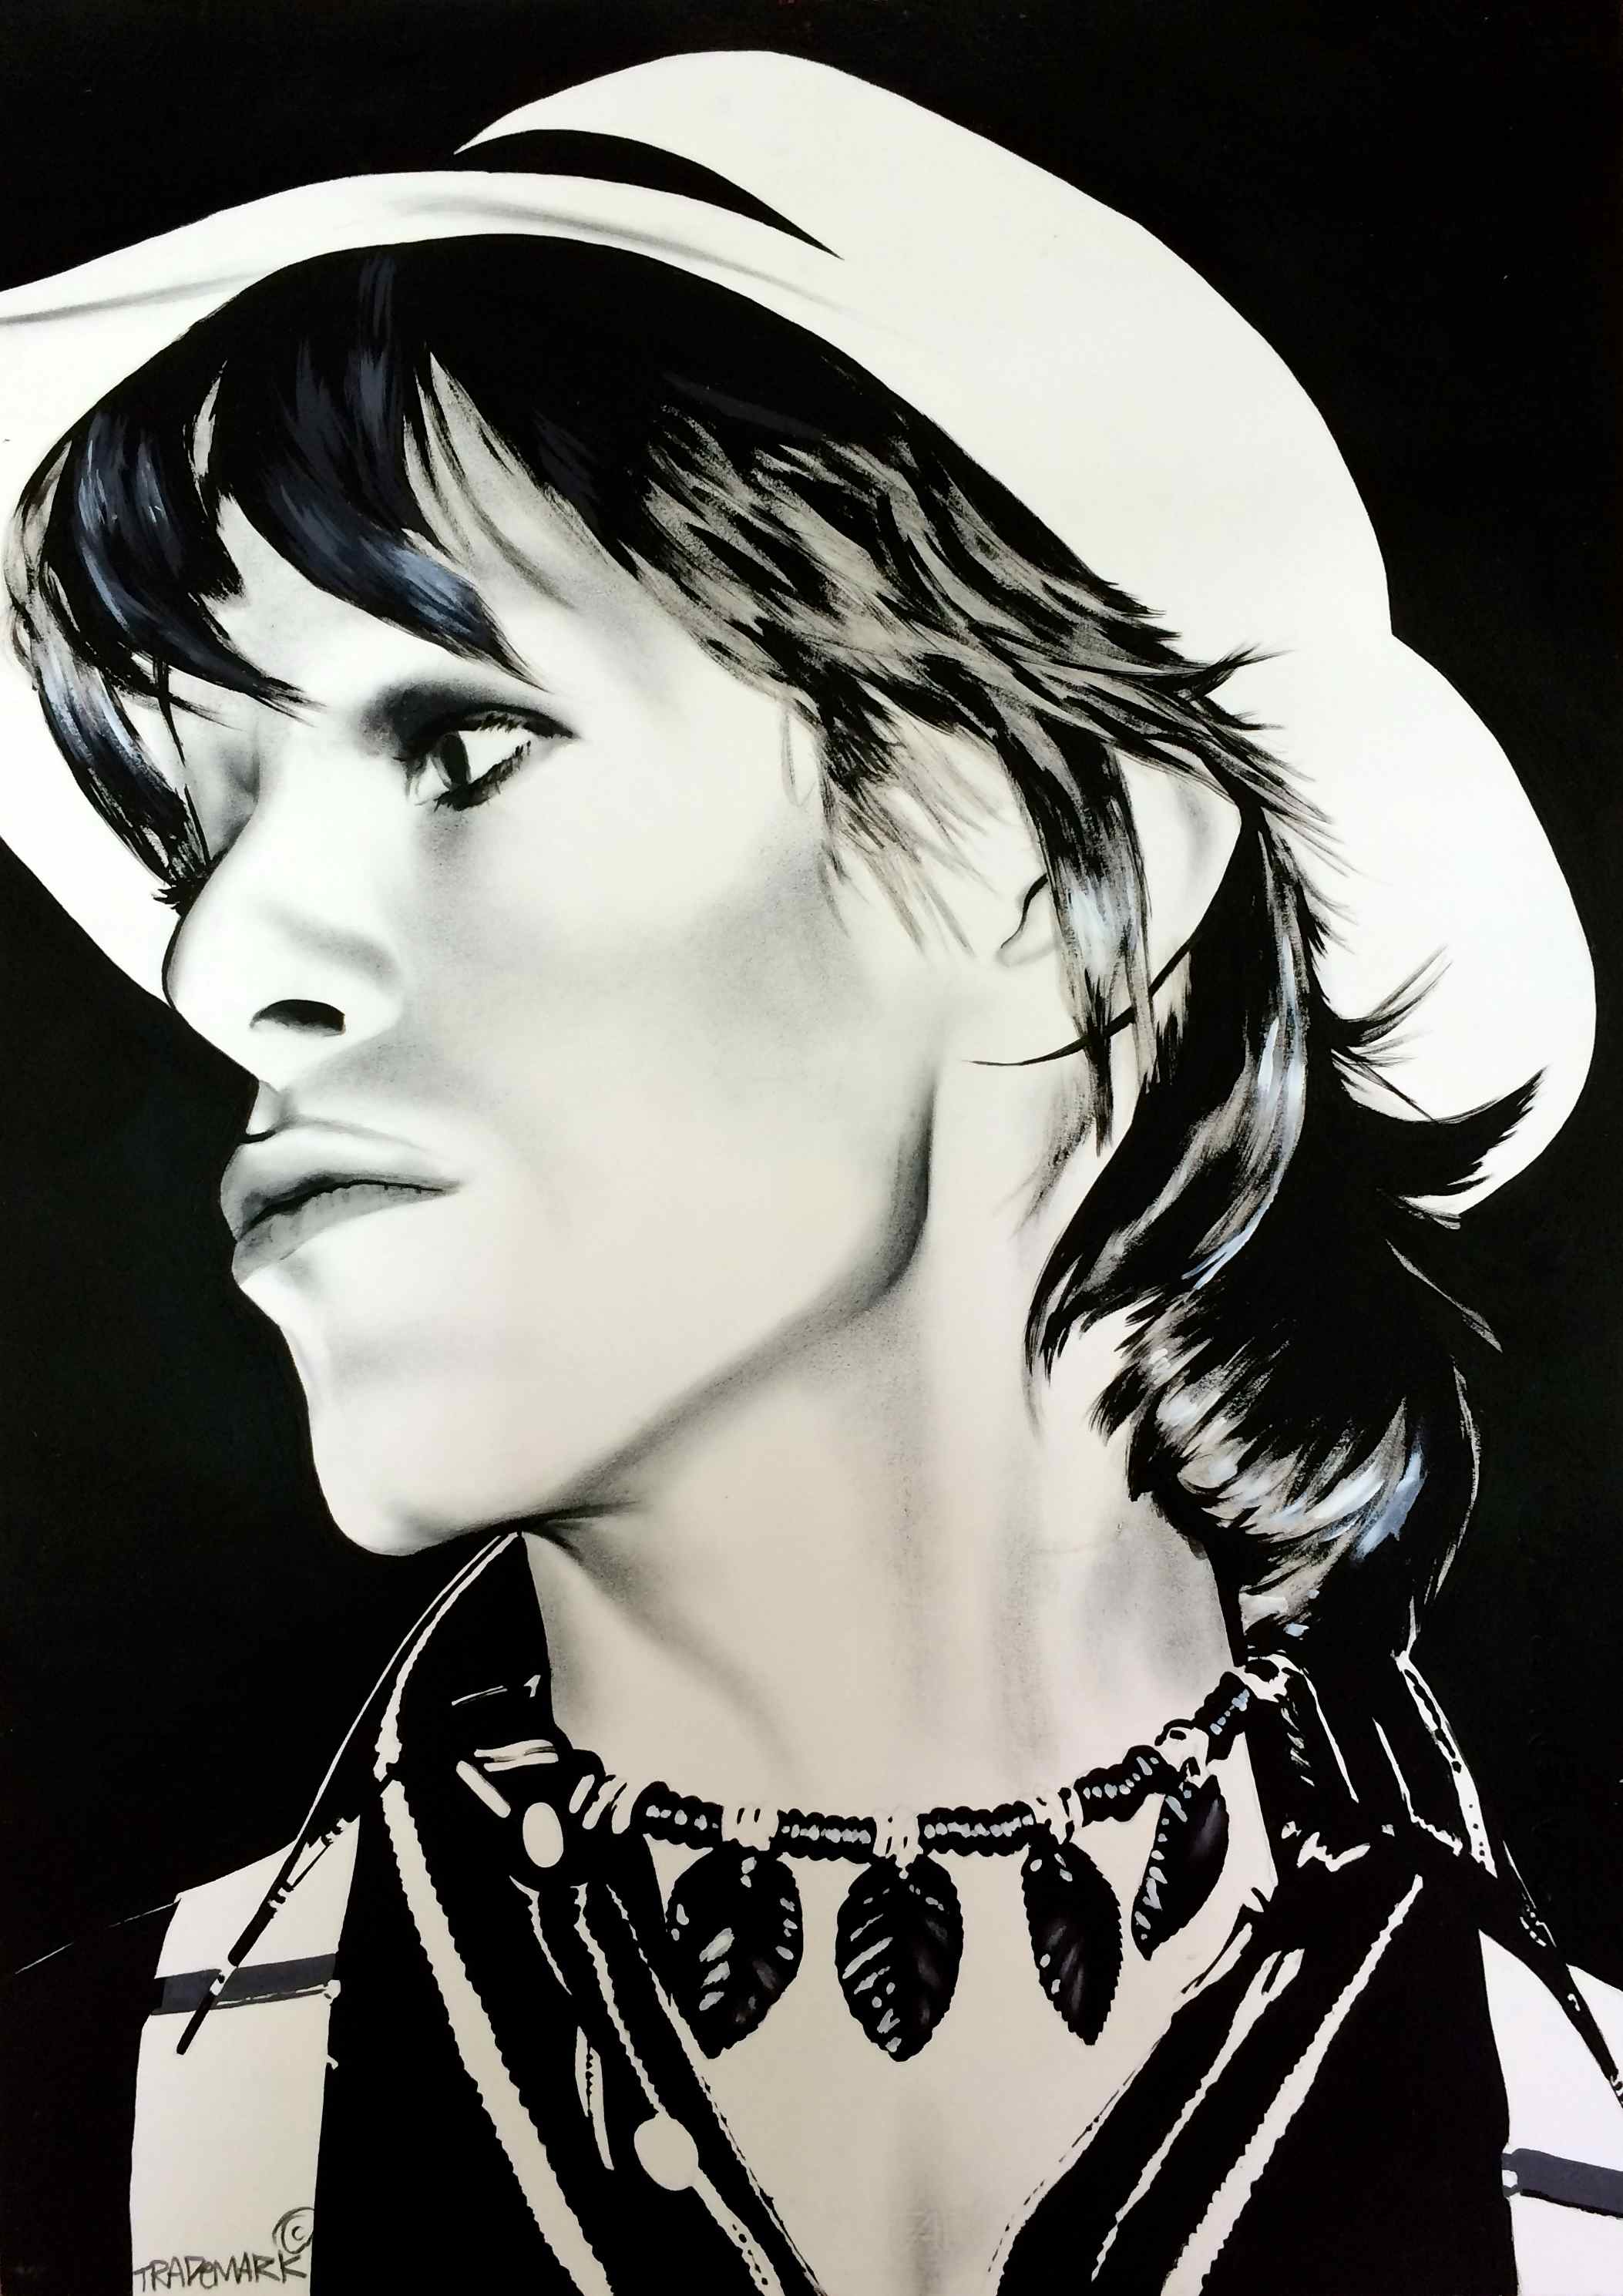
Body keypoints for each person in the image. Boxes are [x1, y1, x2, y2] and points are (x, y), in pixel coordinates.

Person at [0, 50, 1618, 2296]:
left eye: (460, 740)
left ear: (1050, 862)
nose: (221, 961)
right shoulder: (66, 2155)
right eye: (197, 829)